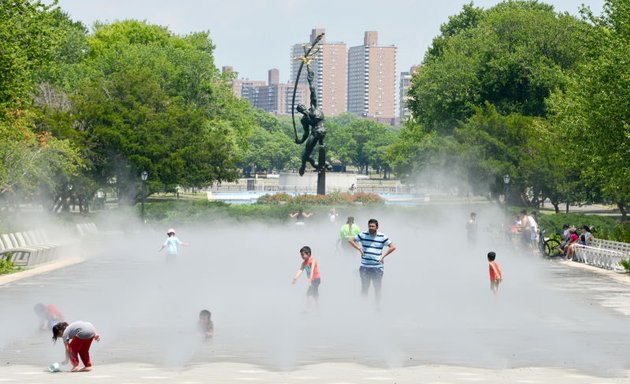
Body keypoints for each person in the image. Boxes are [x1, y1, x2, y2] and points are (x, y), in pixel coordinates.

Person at [348, 219, 397, 303]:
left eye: (373, 226)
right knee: (364, 287)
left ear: (377, 227)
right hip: (365, 266)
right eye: (369, 226)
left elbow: (393, 247)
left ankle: (377, 306)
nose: (371, 228)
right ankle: (364, 305)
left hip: (377, 267)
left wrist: (383, 256)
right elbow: (350, 240)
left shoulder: (382, 237)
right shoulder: (363, 234)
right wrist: (359, 248)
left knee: (377, 288)